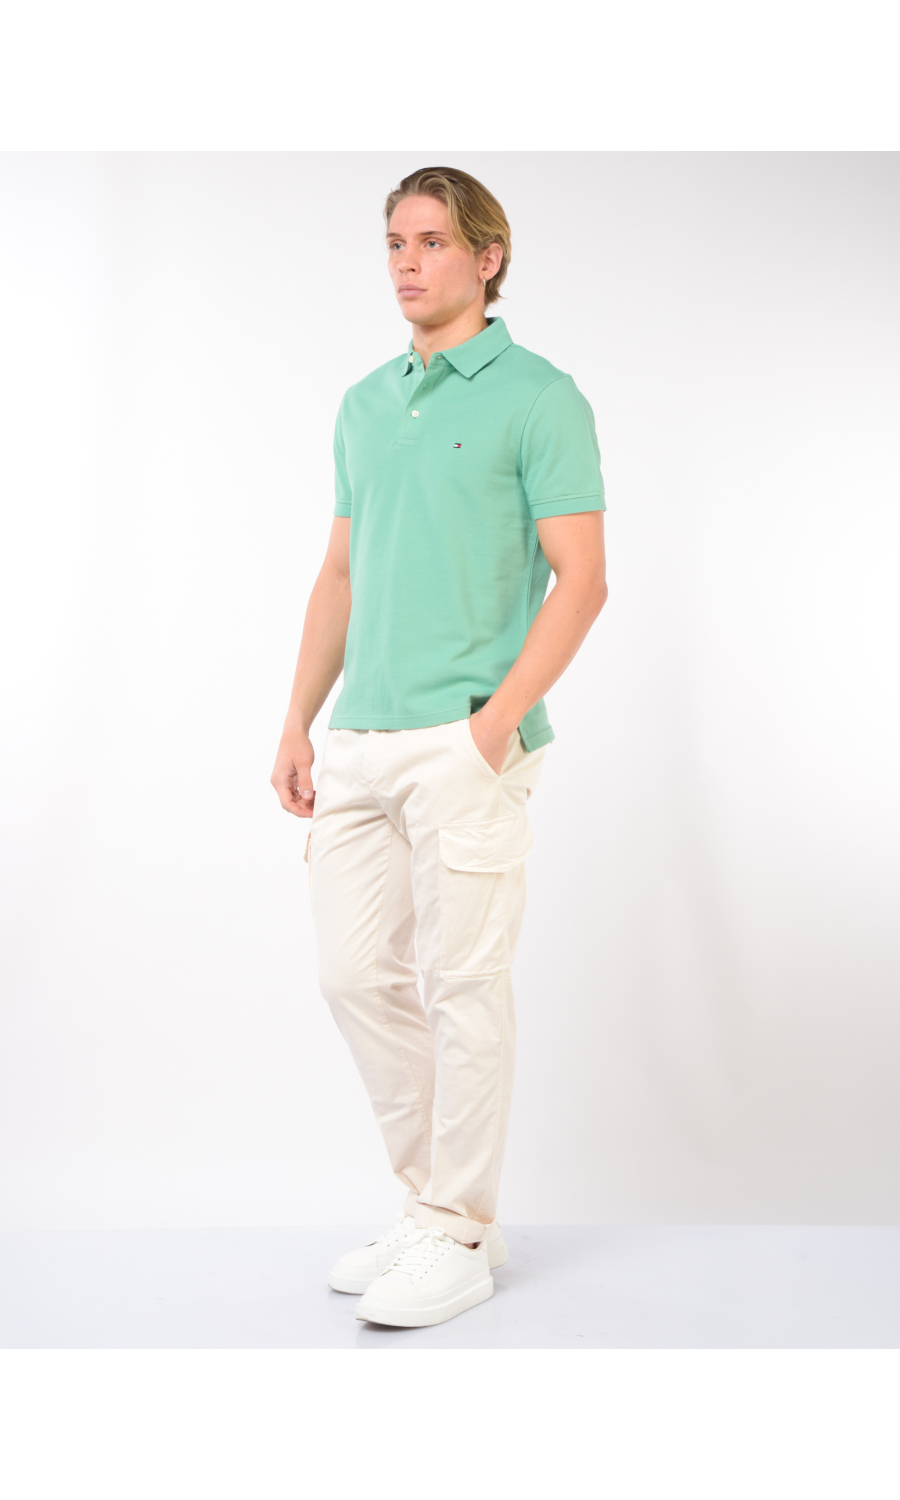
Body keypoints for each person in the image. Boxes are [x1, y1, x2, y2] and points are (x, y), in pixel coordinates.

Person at [271, 166, 607, 1329]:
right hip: (361, 739)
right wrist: (298, 719)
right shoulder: (365, 403)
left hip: (466, 740)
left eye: (431, 242)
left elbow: (582, 579)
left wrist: (493, 724)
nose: (407, 263)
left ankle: (457, 1230)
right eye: (395, 243)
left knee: (464, 988)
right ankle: (437, 1209)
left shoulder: (540, 397)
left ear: (487, 257)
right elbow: (340, 573)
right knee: (353, 976)